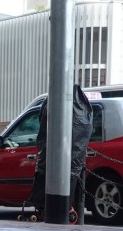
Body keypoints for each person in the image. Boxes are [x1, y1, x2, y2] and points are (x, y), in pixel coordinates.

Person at [28, 85, 92, 215]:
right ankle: (64, 209)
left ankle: (45, 208)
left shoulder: (51, 106)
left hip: (51, 161)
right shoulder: (81, 113)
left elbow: (43, 128)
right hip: (71, 162)